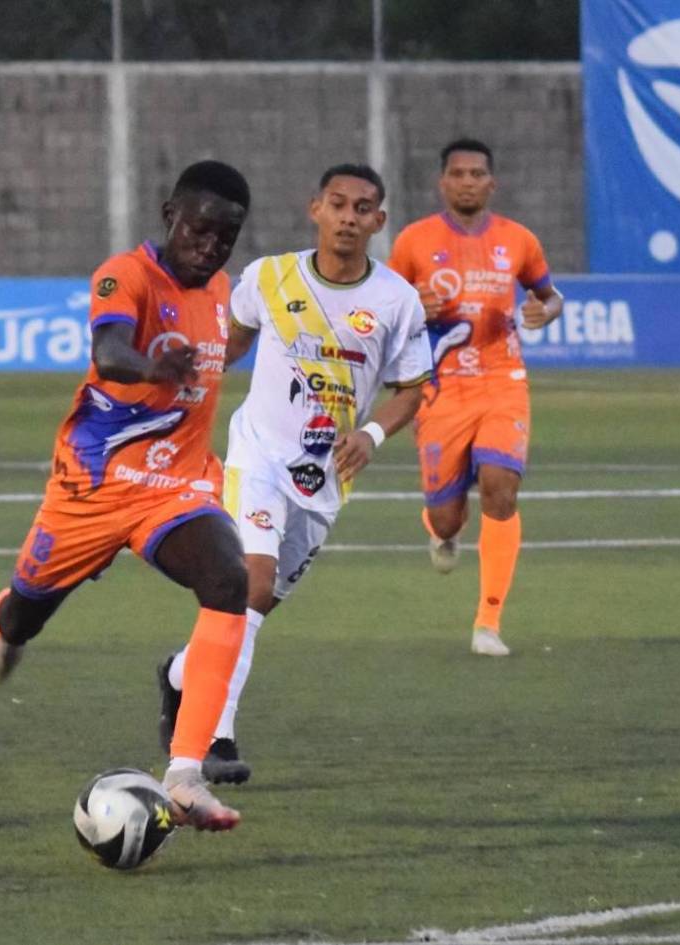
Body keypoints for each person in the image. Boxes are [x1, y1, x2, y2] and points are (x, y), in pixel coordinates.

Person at [0, 160, 253, 831]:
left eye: (225, 237)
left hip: (176, 485)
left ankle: (184, 776)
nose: (210, 246)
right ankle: (5, 623)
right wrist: (152, 367)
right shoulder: (124, 274)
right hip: (94, 487)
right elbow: (108, 350)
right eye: (199, 229)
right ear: (169, 215)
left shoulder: (223, 290)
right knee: (22, 619)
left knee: (229, 579)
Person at [156, 164, 432, 784]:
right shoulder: (269, 277)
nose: (348, 217)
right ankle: (214, 736)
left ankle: (179, 674)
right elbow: (231, 338)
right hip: (256, 457)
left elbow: (414, 387)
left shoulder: (396, 301)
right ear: (316, 208)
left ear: (379, 221)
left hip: (324, 478)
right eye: (338, 203)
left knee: (255, 607)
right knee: (247, 583)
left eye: (362, 208)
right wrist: (187, 377)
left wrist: (371, 434)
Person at [386, 138, 563, 657]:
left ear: (492, 183)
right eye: (458, 174)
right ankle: (442, 529)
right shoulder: (414, 241)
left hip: (502, 380)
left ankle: (488, 622)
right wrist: (413, 305)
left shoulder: (518, 240)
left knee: (500, 487)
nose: (468, 182)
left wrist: (545, 311)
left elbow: (549, 295)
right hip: (440, 389)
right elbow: (383, 309)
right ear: (443, 182)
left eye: (477, 174)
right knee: (446, 517)